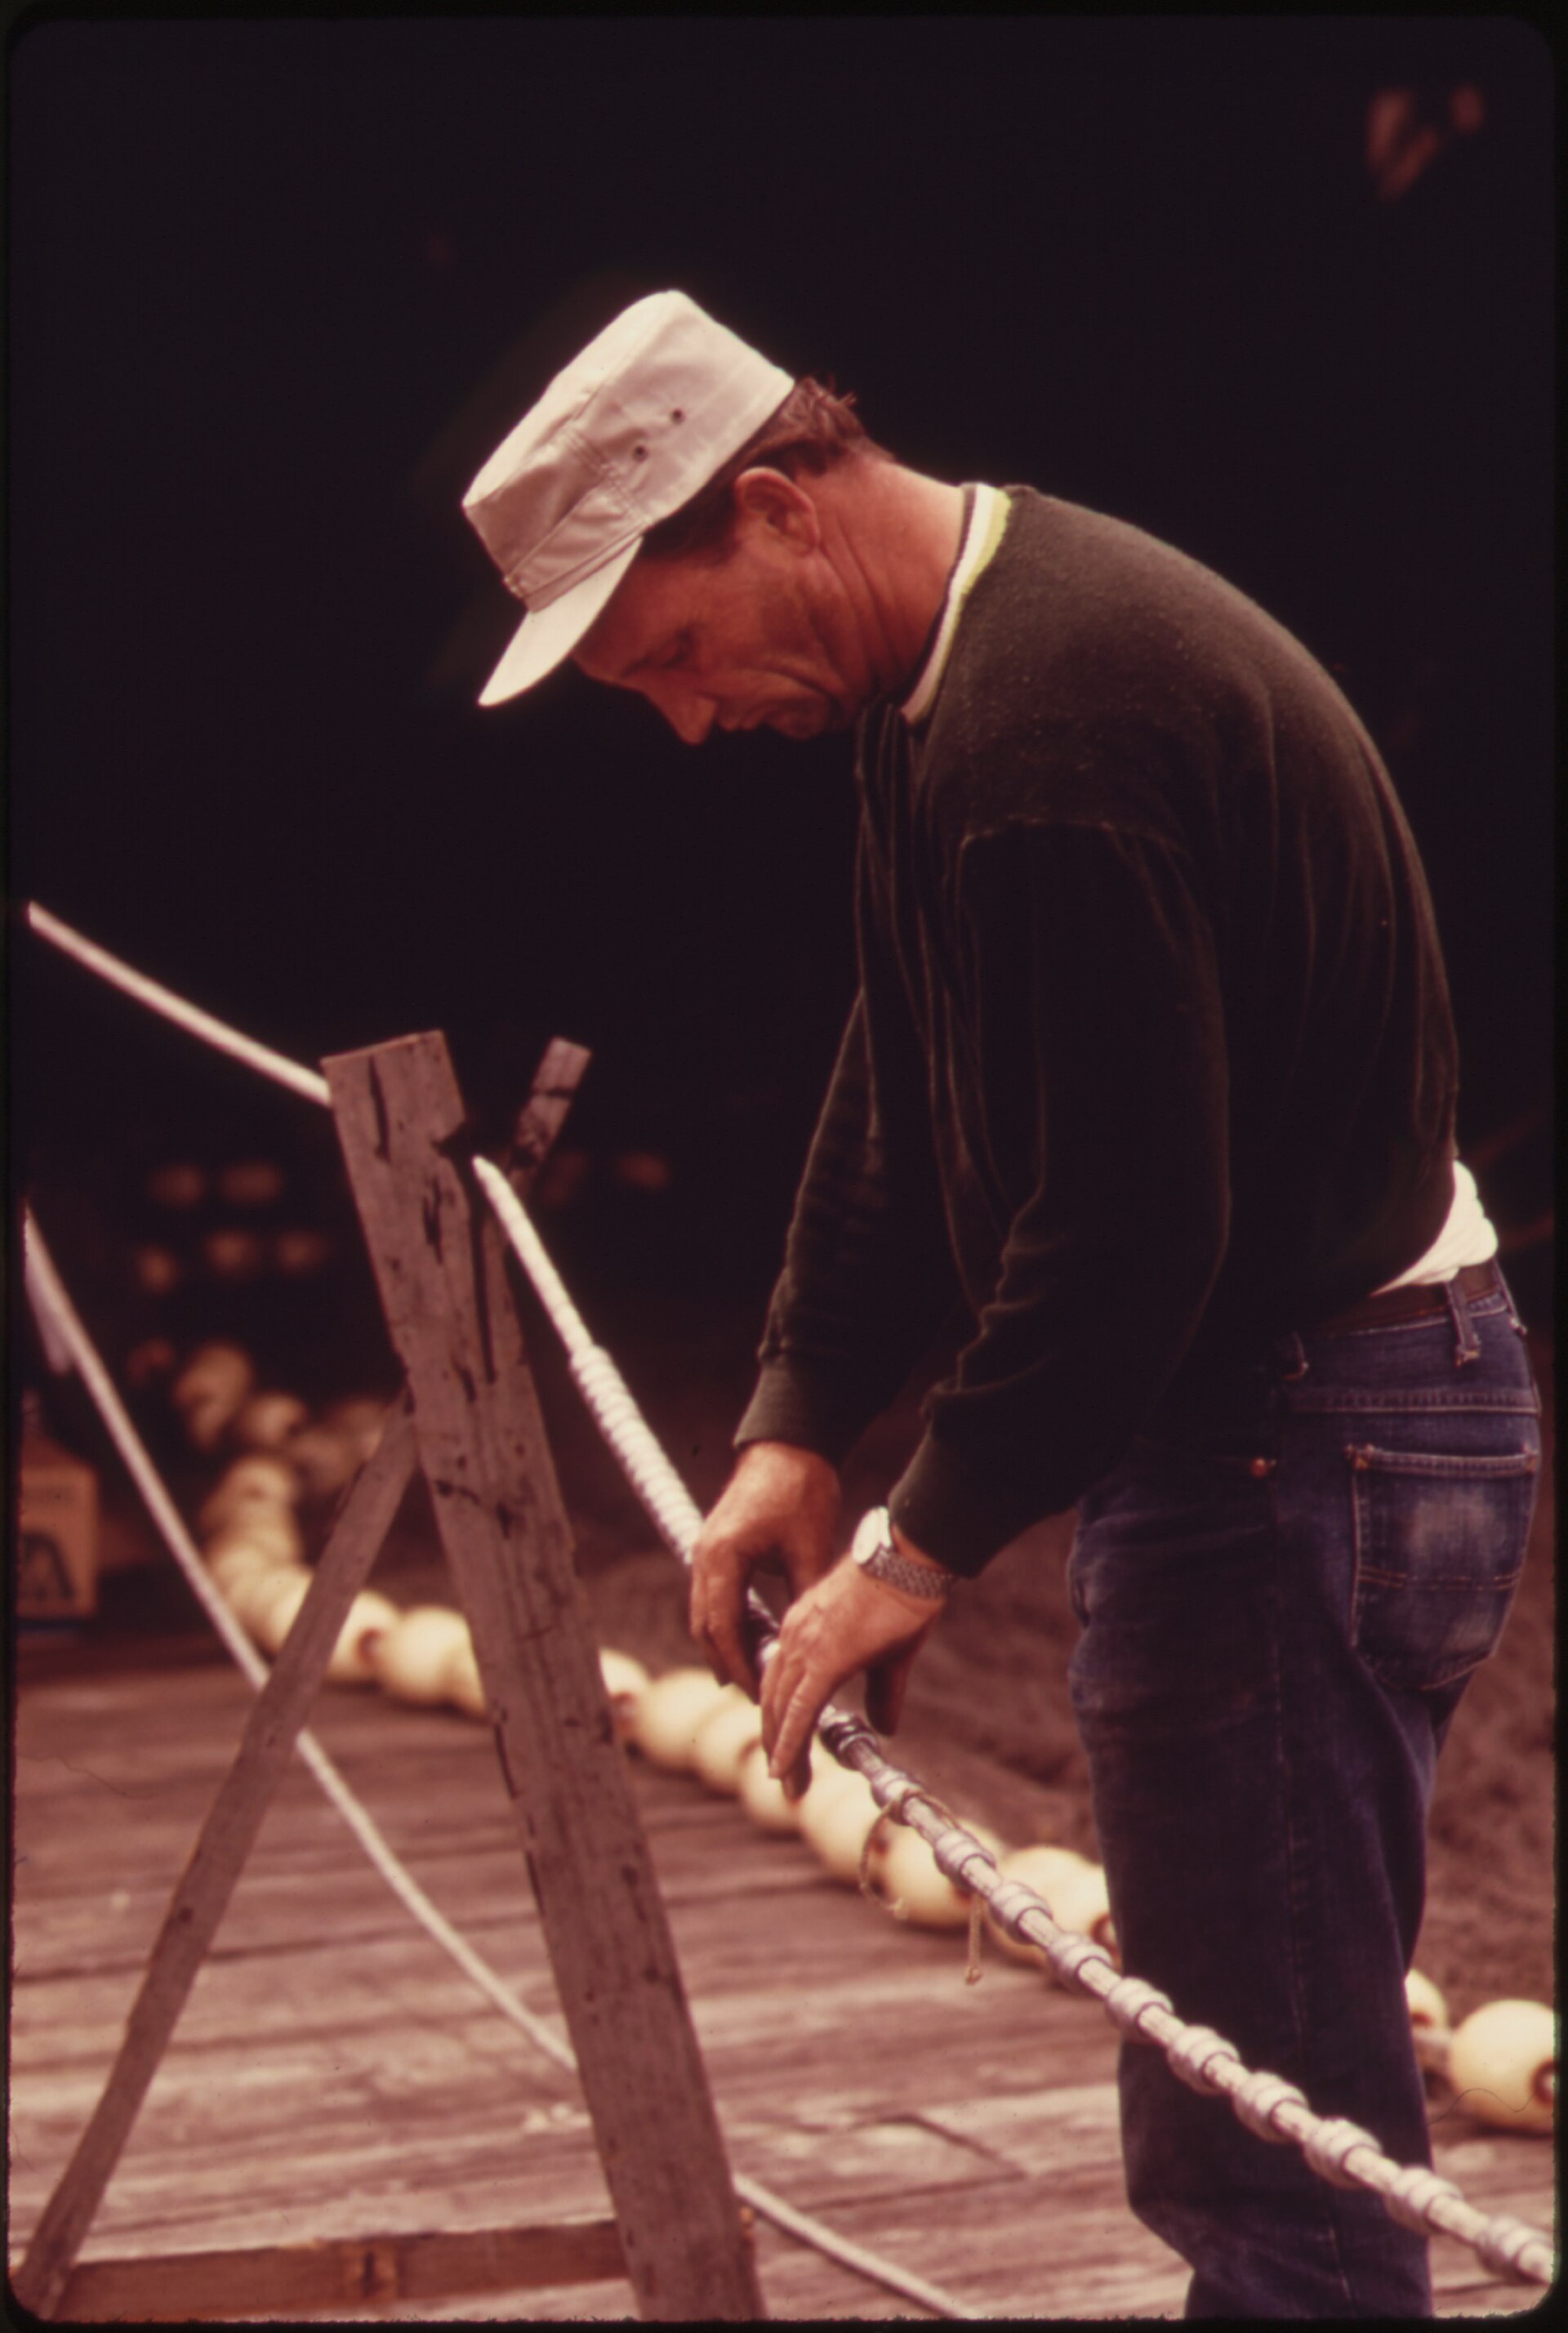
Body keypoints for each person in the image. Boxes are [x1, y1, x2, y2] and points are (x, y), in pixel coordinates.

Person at [461, 289, 1541, 2317]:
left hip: (1311, 1429)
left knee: (1278, 2146)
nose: (691, 720)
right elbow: (909, 1060)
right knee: (1260, 2094)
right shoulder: (961, 666)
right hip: (1324, 1411)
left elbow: (1133, 1233)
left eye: (674, 656)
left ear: (775, 506)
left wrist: (918, 1545)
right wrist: (798, 1414)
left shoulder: (1053, 736)